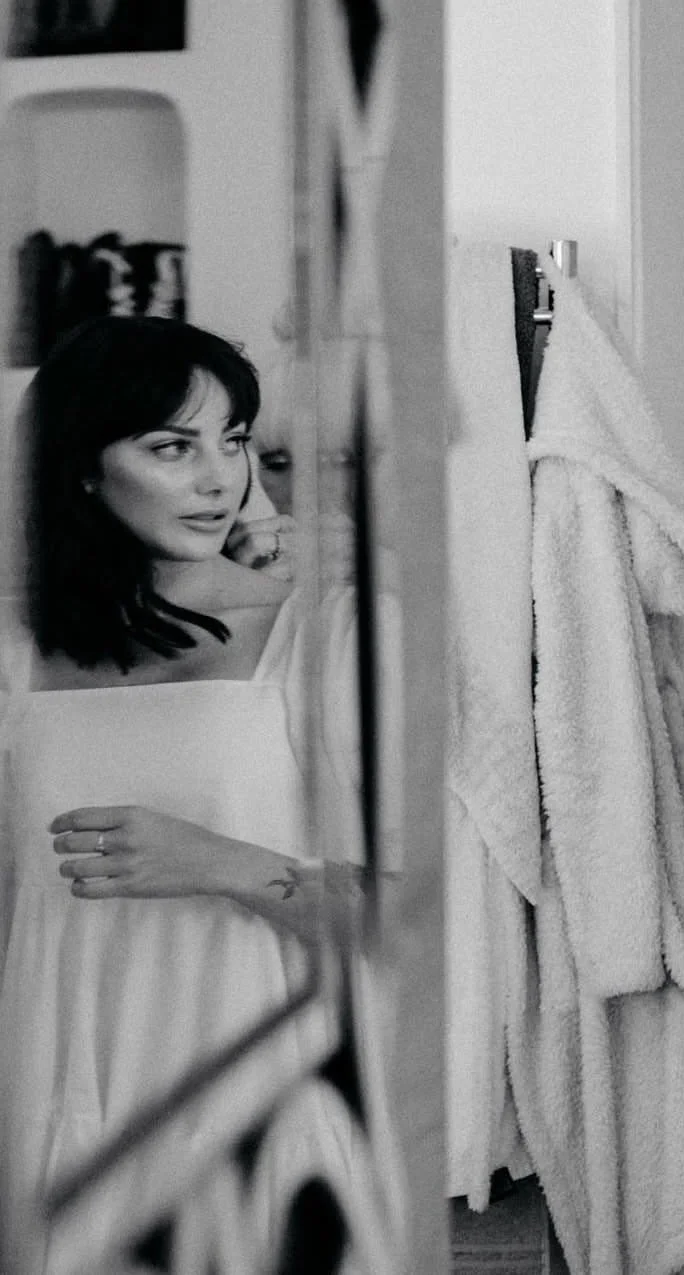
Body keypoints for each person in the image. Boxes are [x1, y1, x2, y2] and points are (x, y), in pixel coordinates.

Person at [0, 316, 402, 1273]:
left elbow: (409, 918)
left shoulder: (330, 633)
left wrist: (218, 863)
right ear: (83, 468)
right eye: (171, 447)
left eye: (231, 442)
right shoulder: (15, 652)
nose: (219, 478)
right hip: (58, 1097)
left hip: (256, 1097)